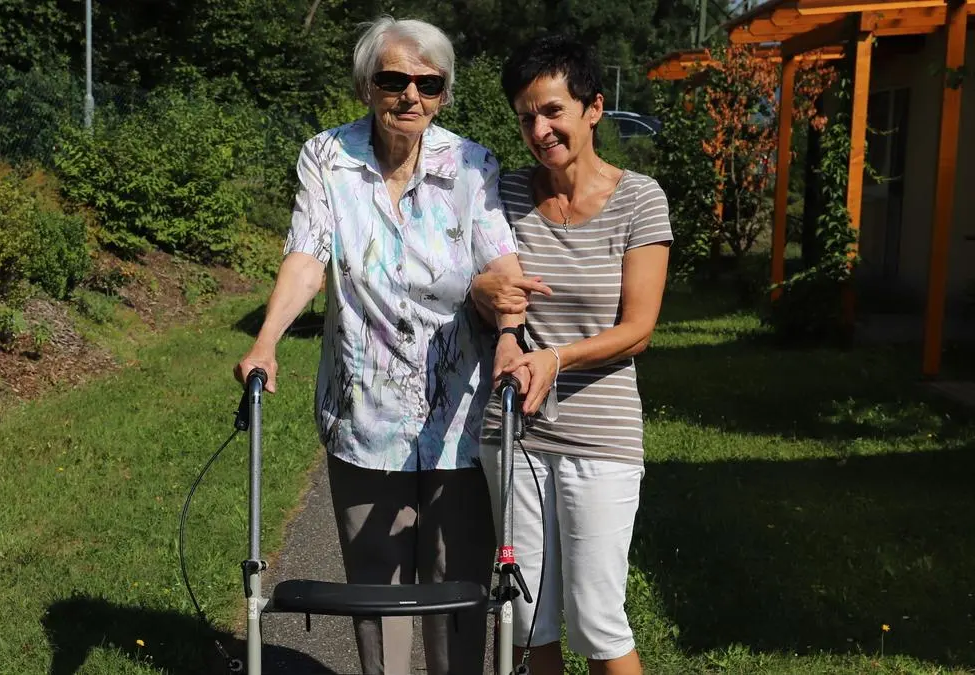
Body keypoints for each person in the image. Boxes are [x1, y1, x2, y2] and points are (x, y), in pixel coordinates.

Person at [234, 16, 543, 675]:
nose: (410, 95)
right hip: (363, 414)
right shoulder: (328, 158)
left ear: (444, 93)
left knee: (457, 596)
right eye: (393, 79)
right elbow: (307, 256)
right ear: (366, 85)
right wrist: (266, 341)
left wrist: (509, 336)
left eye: (428, 84)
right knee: (376, 599)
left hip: (460, 418)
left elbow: (502, 268)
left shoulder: (472, 164)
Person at [472, 34, 673, 675]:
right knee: (525, 616)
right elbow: (484, 289)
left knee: (597, 621)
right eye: (526, 117)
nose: (540, 130)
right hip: (513, 432)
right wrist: (483, 295)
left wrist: (555, 359)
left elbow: (638, 329)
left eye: (553, 111)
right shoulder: (502, 194)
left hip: (601, 437)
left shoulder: (640, 198)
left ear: (594, 108)